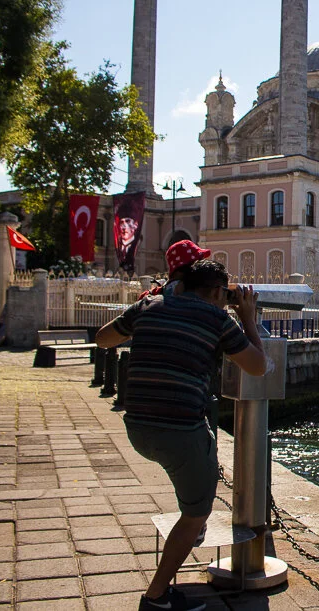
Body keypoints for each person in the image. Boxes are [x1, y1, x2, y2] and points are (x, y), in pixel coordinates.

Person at [95, 260, 267, 611]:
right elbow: (258, 366)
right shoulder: (219, 320)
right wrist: (247, 316)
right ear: (219, 292)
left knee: (191, 482)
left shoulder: (148, 306)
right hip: (179, 431)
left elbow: (103, 339)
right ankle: (156, 597)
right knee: (196, 513)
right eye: (225, 295)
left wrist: (153, 309)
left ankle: (191, 515)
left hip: (138, 428)